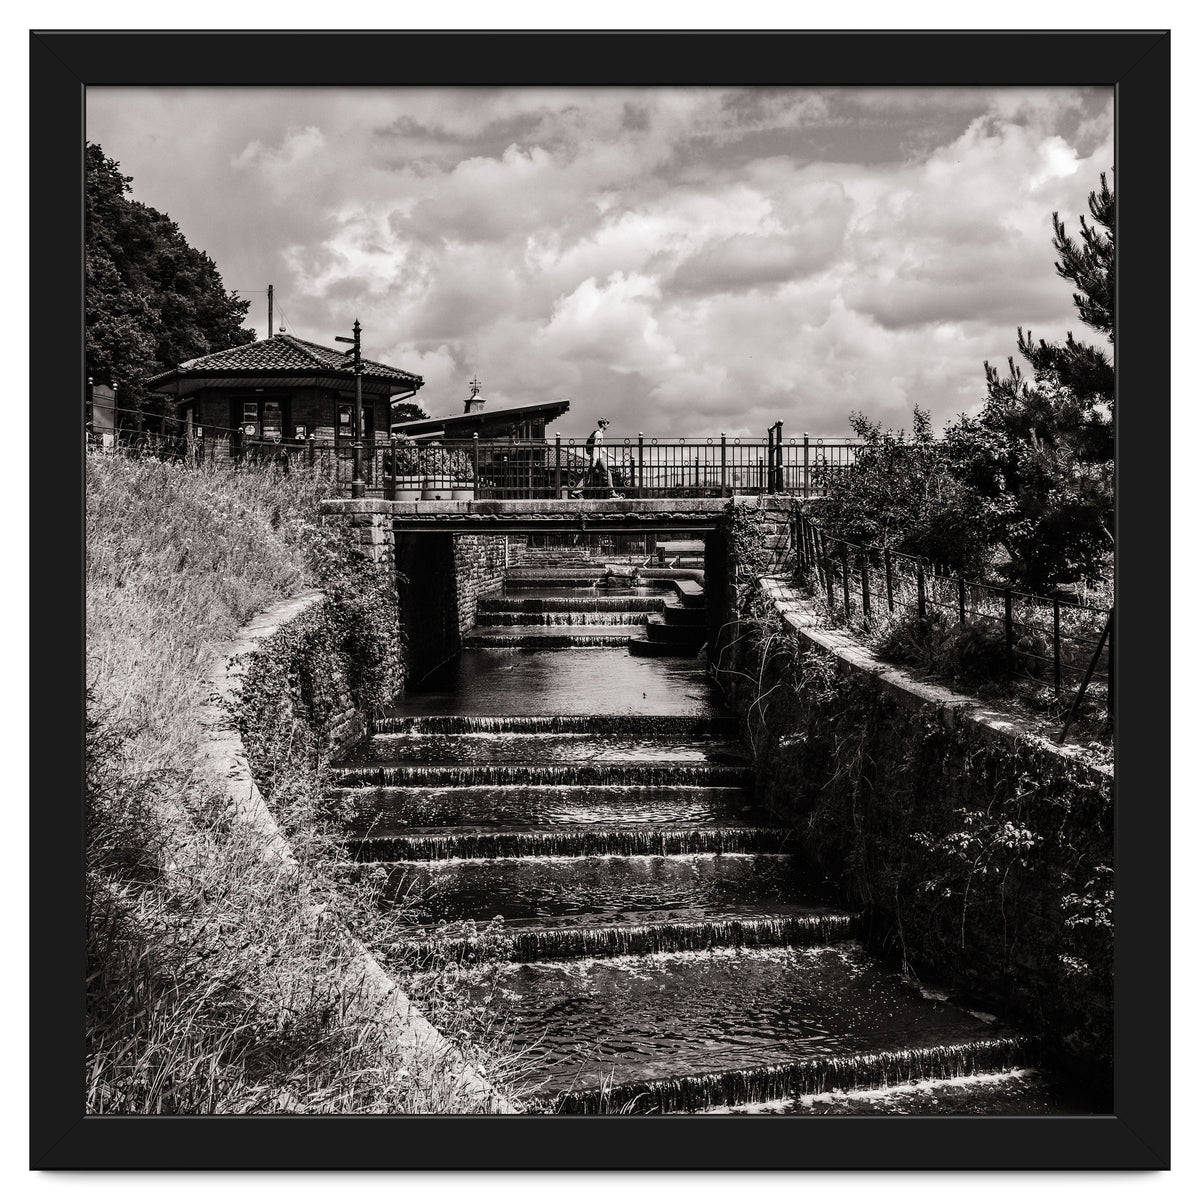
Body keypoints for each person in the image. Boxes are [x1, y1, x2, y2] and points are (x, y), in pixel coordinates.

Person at [569, 417, 623, 498]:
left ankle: (575, 492)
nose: (608, 425)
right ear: (603, 424)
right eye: (607, 424)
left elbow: (600, 447)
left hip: (596, 458)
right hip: (598, 458)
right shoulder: (598, 434)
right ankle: (612, 493)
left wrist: (609, 455)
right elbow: (595, 447)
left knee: (588, 476)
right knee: (607, 474)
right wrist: (594, 460)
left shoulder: (600, 433)